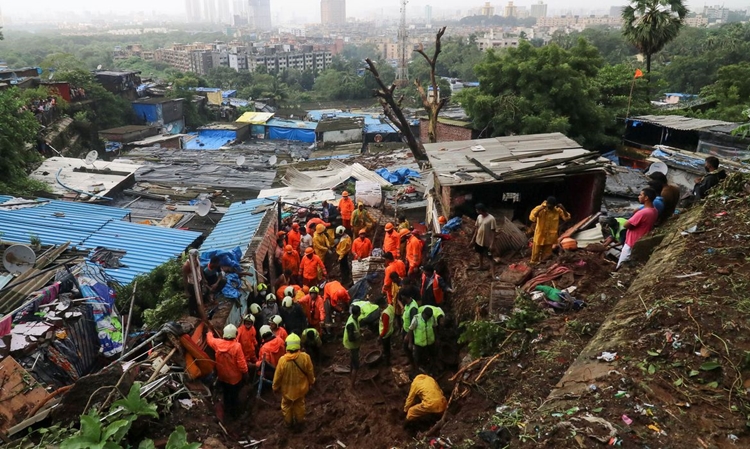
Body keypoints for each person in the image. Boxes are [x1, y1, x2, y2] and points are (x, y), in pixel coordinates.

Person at [273, 334, 316, 429]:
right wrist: (311, 382)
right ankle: (300, 422)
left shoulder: (282, 360)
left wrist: (275, 387)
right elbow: (310, 372)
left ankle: (289, 423)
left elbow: (277, 376)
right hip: (301, 389)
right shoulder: (305, 357)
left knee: (286, 405)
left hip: (287, 390)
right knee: (300, 404)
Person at [206, 324, 248, 419]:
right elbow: (242, 364)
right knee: (235, 396)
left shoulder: (218, 343)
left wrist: (209, 331)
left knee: (226, 394)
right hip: (235, 379)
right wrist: (246, 374)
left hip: (222, 377)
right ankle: (235, 414)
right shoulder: (237, 346)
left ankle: (227, 411)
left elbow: (209, 340)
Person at [617, 188, 659, 270]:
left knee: (620, 266)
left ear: (646, 198)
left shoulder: (642, 212)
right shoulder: (654, 211)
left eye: (641, 195)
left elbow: (626, 225)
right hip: (640, 239)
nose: (638, 197)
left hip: (632, 243)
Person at [529, 197, 571, 265]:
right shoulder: (540, 208)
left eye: (552, 207)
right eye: (549, 206)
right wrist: (539, 210)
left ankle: (543, 266)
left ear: (554, 206)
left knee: (547, 255)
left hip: (550, 237)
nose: (550, 208)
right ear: (547, 204)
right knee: (535, 253)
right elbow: (532, 218)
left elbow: (567, 218)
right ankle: (533, 265)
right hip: (540, 235)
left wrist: (563, 209)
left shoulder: (557, 210)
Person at [408, 307, 437, 373]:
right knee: (418, 358)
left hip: (430, 342)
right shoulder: (416, 319)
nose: (428, 319)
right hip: (419, 344)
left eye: (429, 317)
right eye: (427, 317)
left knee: (432, 356)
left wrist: (436, 338)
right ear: (423, 314)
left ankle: (431, 370)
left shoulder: (432, 318)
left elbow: (435, 327)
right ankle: (418, 371)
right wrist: (410, 343)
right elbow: (410, 330)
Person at [470, 203, 497, 273]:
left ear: (481, 210)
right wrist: (473, 239)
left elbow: (494, 232)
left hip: (487, 242)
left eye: (477, 210)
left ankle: (493, 273)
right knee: (480, 253)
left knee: (490, 258)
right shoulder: (479, 217)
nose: (476, 211)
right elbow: (477, 228)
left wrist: (492, 244)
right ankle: (480, 266)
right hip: (479, 240)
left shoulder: (491, 219)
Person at [343, 305, 362, 387]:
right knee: (356, 365)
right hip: (352, 345)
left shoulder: (353, 317)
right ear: (358, 313)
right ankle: (352, 385)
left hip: (355, 345)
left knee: (352, 361)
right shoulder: (351, 324)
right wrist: (360, 336)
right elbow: (351, 338)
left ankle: (351, 375)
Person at [378, 298, 396, 365]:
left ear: (381, 305)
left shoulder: (385, 314)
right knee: (388, 346)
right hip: (390, 330)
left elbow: (385, 328)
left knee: (386, 348)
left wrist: (380, 336)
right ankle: (388, 357)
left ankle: (387, 362)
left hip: (385, 334)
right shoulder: (390, 307)